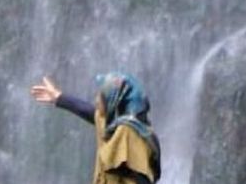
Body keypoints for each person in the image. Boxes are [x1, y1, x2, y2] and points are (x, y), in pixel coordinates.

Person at [30, 72, 162, 184]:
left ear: (114, 100)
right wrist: (59, 97)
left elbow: (139, 176)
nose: (97, 100)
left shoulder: (128, 132)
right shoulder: (117, 123)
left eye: (102, 96)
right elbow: (92, 113)